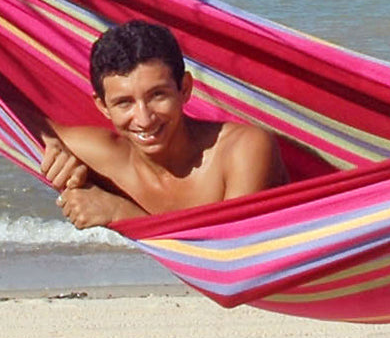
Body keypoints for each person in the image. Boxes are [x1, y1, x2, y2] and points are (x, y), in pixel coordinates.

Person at [40, 19, 287, 228]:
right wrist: (51, 143)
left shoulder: (241, 150)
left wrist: (120, 213)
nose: (144, 119)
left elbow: (235, 258)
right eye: (124, 103)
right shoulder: (103, 157)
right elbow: (15, 118)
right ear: (103, 106)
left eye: (158, 95)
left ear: (185, 89)